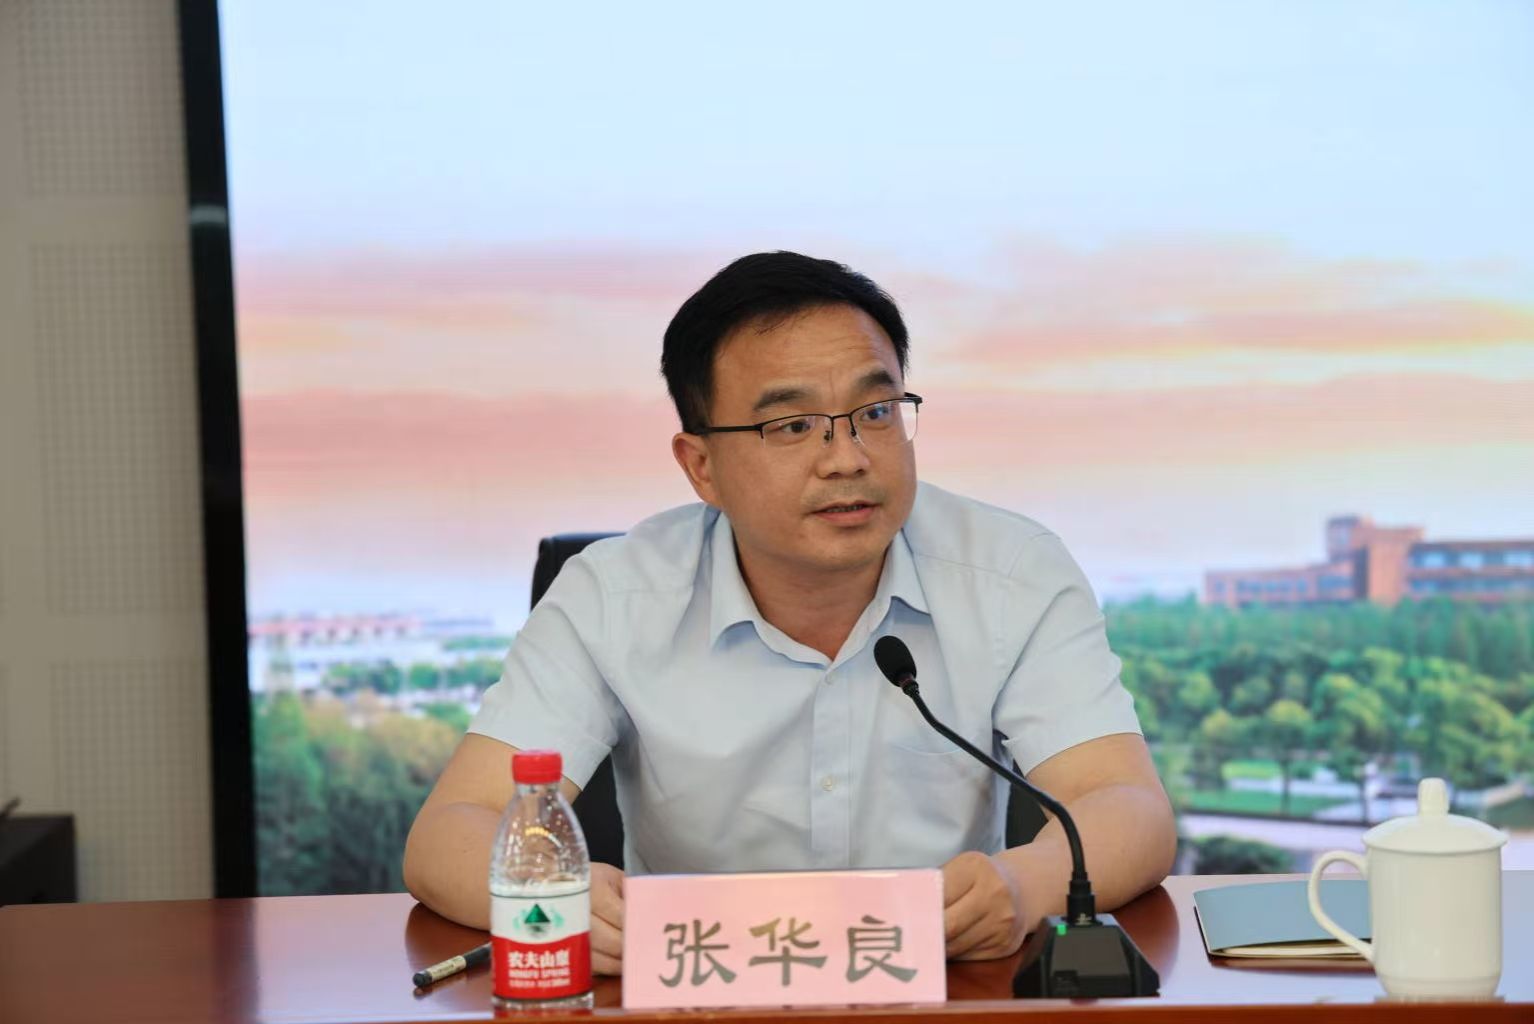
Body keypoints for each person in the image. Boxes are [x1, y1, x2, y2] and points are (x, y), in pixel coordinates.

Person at [403, 251, 1176, 975]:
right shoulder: (612, 597)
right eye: (792, 426)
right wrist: (560, 900)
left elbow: (1126, 806)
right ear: (701, 466)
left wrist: (1025, 884)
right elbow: (451, 832)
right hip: (697, 995)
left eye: (877, 411)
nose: (848, 458)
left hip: (940, 989)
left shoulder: (1011, 574)